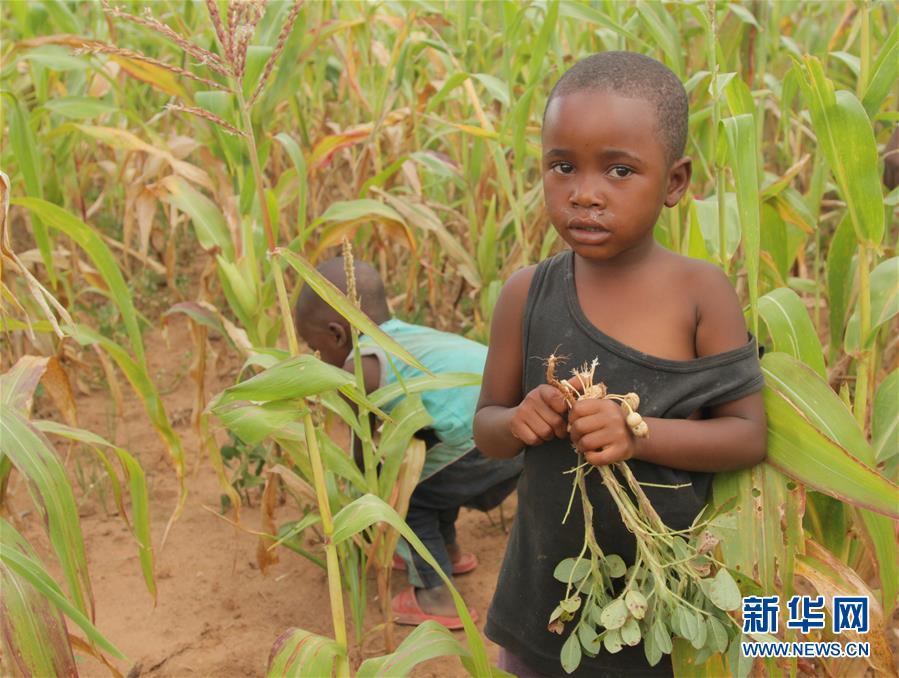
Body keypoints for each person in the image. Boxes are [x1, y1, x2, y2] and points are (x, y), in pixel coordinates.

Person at [473, 52, 767, 677]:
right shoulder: (526, 294)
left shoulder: (701, 294)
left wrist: (637, 434)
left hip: (670, 606)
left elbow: (747, 435)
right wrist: (521, 419)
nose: (585, 193)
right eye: (562, 167)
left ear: (675, 182)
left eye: (619, 170)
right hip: (547, 604)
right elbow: (487, 429)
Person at [294, 257, 523, 630]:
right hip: (516, 422)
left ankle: (436, 595)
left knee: (403, 498)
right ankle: (447, 551)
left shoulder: (359, 367)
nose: (315, 358)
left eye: (313, 349)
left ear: (337, 335)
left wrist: (369, 509)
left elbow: (364, 452)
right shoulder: (406, 336)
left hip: (484, 437)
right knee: (429, 476)